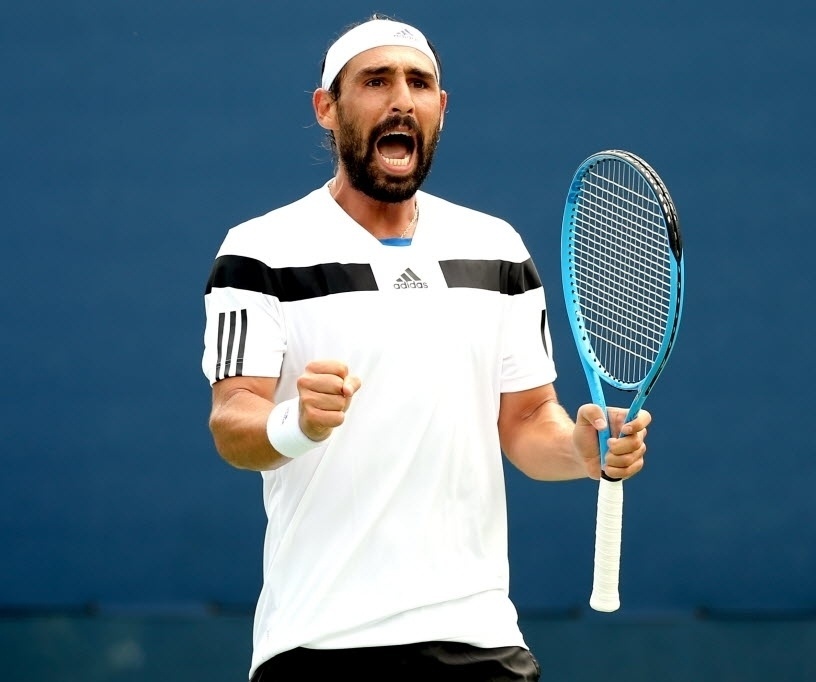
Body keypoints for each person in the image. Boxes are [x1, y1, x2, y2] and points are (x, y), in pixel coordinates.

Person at [201, 14, 651, 682]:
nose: (400, 99)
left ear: (440, 109)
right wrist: (297, 422)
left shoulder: (497, 250)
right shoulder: (259, 251)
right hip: (318, 644)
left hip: (478, 641)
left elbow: (528, 422)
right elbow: (234, 424)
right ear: (328, 108)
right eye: (375, 80)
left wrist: (584, 451)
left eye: (418, 82)